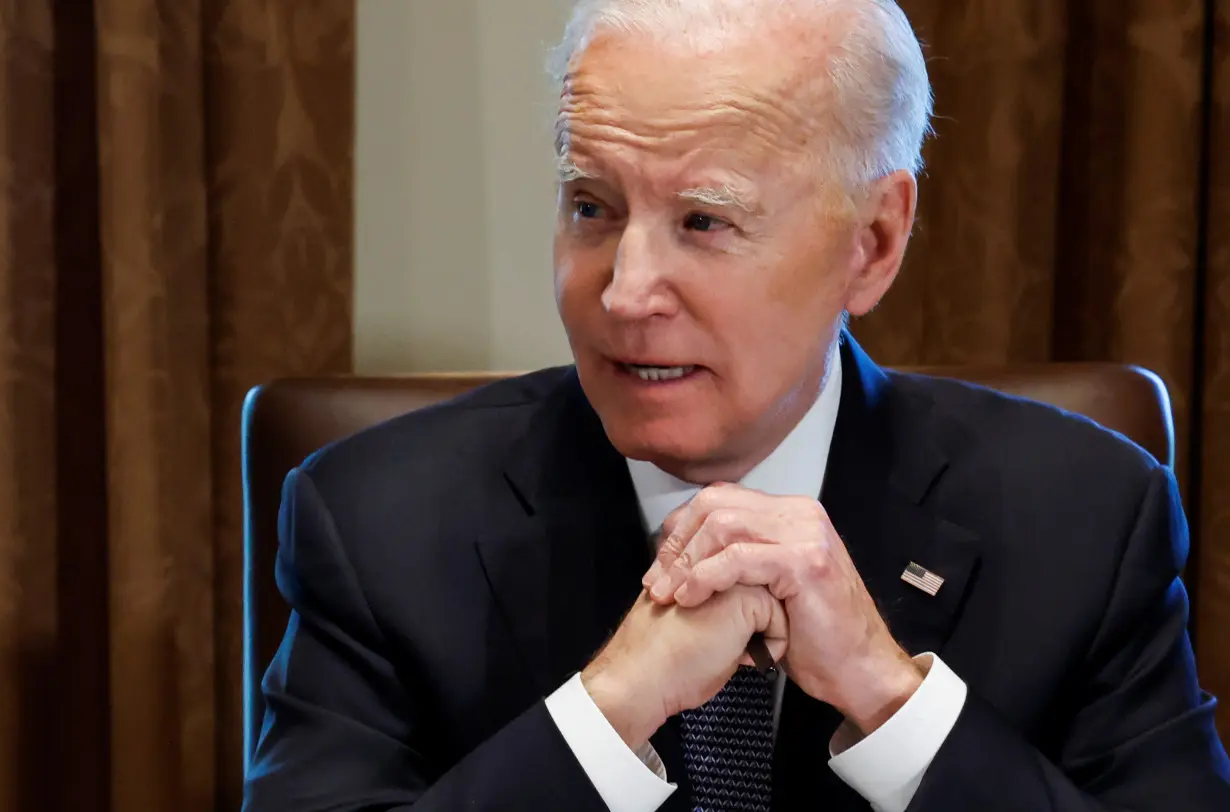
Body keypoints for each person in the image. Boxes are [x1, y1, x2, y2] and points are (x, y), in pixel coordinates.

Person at [243, 0, 1230, 809]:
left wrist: (894, 699)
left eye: (704, 221)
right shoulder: (376, 521)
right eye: (592, 206)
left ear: (874, 243)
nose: (626, 291)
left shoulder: (1086, 517)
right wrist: (606, 710)